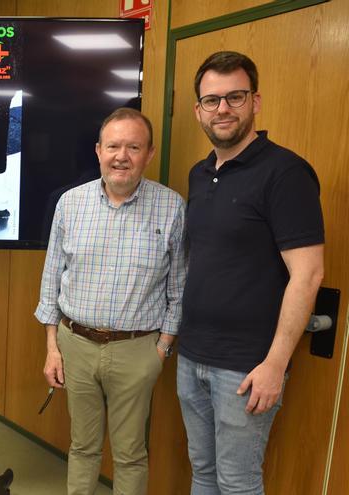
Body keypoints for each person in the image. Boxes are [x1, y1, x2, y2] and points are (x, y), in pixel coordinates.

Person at [177, 51, 324, 494]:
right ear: (198, 110)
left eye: (234, 97)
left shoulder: (286, 173)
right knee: (202, 472)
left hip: (246, 368)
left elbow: (309, 274)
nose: (222, 109)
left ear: (255, 102)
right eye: (211, 100)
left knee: (238, 483)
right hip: (193, 356)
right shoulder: (200, 174)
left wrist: (275, 364)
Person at [35, 107, 186, 495]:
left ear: (149, 154)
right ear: (98, 150)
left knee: (130, 453)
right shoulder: (70, 203)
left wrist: (162, 349)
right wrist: (52, 347)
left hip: (138, 350)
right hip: (75, 345)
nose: (122, 156)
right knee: (82, 447)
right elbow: (51, 277)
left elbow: (180, 287)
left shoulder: (172, 208)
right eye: (114, 146)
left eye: (133, 147)